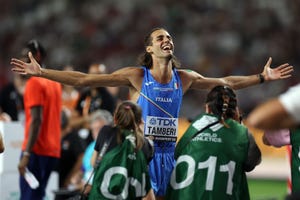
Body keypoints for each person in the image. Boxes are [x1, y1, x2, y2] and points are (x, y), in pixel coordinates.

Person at [10, 27, 293, 199]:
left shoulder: (185, 78)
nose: (166, 40)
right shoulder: (137, 76)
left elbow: (226, 83)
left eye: (169, 37)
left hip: (168, 157)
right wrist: (42, 72)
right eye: (160, 38)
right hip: (139, 155)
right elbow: (84, 80)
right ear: (149, 48)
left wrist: (261, 77)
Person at [166, 86, 261, 200]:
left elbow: (177, 154)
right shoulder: (241, 132)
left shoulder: (193, 128)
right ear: (236, 110)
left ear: (207, 108)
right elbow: (251, 163)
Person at [17, 39, 62, 200]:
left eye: (24, 56)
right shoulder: (55, 83)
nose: (21, 61)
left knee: (29, 197)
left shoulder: (33, 83)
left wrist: (27, 153)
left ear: (36, 56)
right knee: (39, 195)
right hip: (53, 150)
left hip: (36, 151)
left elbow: (37, 120)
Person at [88, 100, 155, 200]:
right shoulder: (146, 145)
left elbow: (94, 163)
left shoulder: (105, 132)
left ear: (115, 118)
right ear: (141, 121)